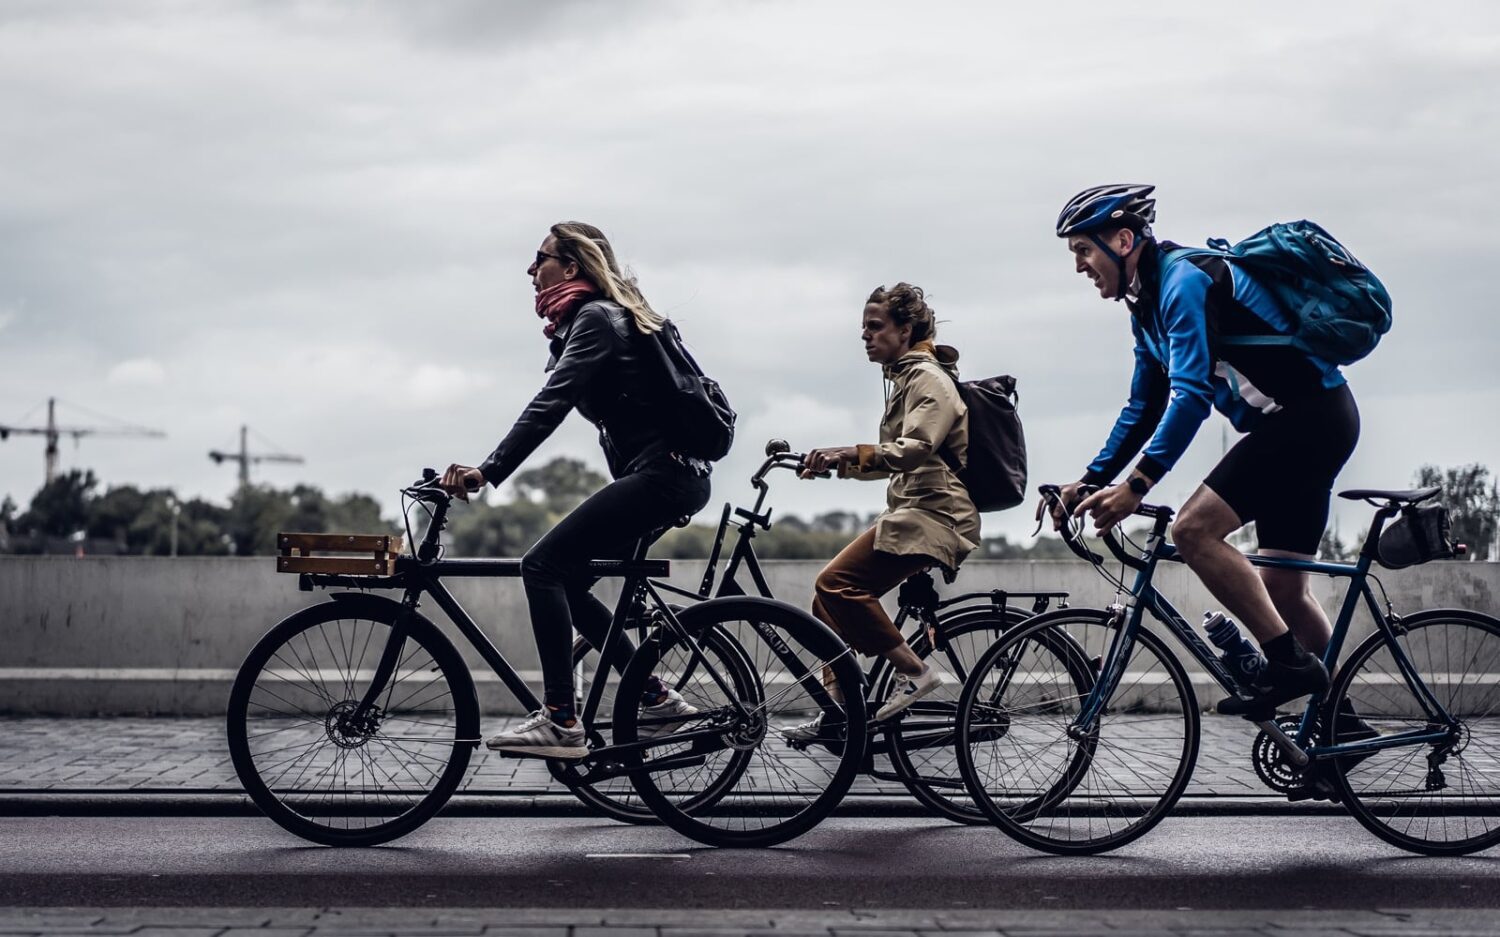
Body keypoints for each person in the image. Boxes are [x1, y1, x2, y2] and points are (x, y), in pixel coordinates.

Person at [1046, 183, 1360, 716]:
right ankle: (1340, 730)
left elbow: (1189, 396)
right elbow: (1143, 405)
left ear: (1123, 240)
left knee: (1192, 530)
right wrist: (1094, 477)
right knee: (1283, 591)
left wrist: (1137, 485)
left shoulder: (1183, 282)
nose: (1078, 265)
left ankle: (1288, 665)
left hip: (1308, 421)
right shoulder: (1144, 304)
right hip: (1303, 425)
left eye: (1083, 249)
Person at [439, 222, 711, 759]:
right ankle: (655, 698)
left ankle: (562, 720)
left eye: (538, 259)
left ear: (571, 267)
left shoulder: (595, 319)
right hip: (673, 475)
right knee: (568, 582)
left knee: (540, 566)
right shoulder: (597, 319)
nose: (529, 270)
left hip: (663, 476)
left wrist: (487, 471)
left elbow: (552, 402)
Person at [786, 283, 980, 739]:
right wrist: (839, 464)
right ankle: (841, 712)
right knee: (826, 604)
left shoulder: (929, 379)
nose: (866, 337)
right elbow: (895, 457)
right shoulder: (909, 379)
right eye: (863, 329)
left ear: (905, 330)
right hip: (917, 510)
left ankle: (915, 672)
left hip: (936, 516)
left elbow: (914, 449)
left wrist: (847, 451)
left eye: (875, 327)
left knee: (835, 583)